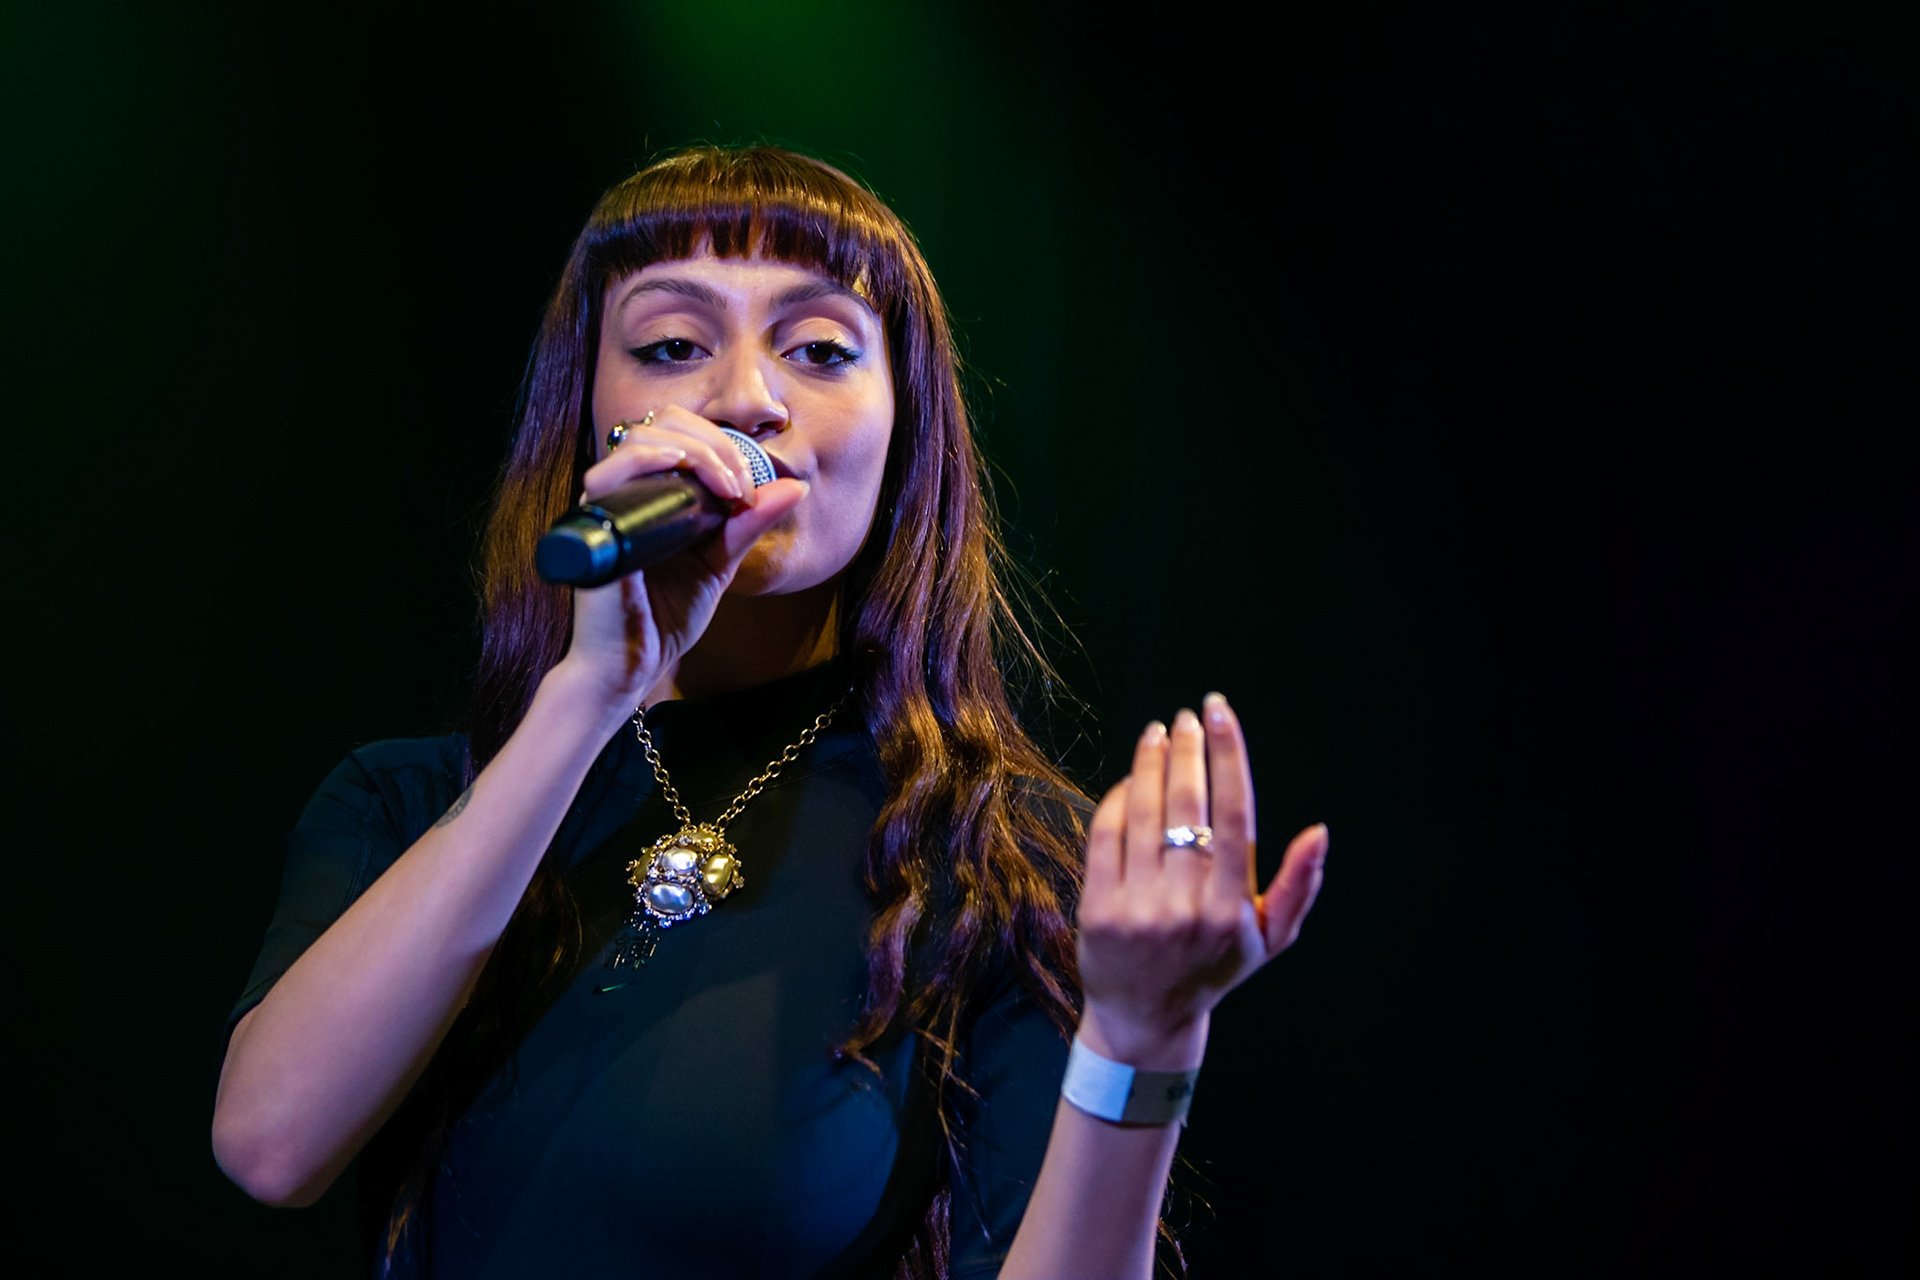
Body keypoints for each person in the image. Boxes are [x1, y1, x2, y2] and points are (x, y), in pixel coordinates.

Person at [212, 145, 1329, 1279]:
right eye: (672, 347)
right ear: (591, 415)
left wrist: (1144, 1044)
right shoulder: (405, 800)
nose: (747, 397)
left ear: (904, 432)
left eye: (820, 349)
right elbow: (270, 1141)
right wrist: (588, 695)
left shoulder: (1002, 860)